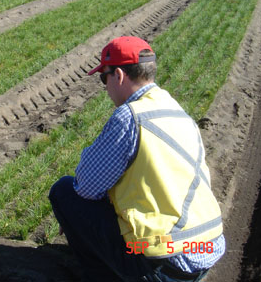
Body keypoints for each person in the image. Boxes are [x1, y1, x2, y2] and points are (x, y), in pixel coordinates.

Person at [49, 36, 225, 282]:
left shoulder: (129, 117)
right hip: (206, 249)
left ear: (119, 75)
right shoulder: (177, 111)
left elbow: (86, 187)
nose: (105, 87)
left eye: (104, 78)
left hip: (165, 262)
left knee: (64, 191)